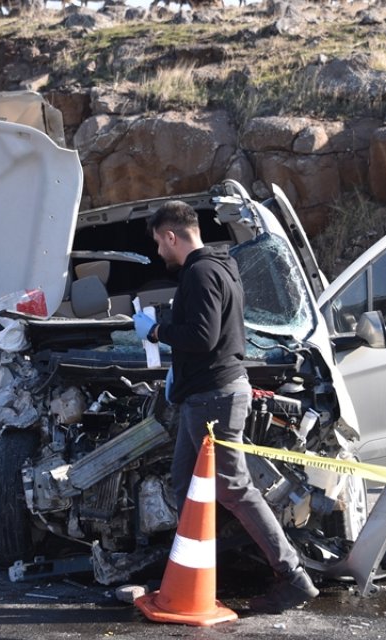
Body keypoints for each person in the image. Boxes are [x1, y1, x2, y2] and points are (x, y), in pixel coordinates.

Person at [133, 200, 318, 613]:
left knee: (234, 489)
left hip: (213, 398)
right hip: (206, 394)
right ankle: (191, 574)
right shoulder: (221, 267)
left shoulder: (199, 273)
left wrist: (156, 331)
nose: (159, 253)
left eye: (159, 244)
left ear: (170, 235)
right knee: (185, 484)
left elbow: (202, 336)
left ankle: (293, 577)